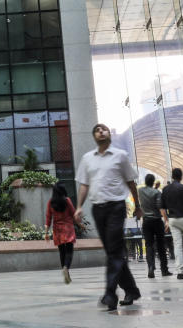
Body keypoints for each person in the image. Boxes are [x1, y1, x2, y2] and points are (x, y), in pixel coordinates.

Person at [74, 123, 142, 311]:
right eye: (97, 130)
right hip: (98, 209)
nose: (101, 131)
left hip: (116, 207)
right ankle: (131, 290)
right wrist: (79, 207)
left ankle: (110, 293)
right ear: (94, 136)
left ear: (108, 134)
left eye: (103, 129)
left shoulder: (120, 156)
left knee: (113, 250)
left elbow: (131, 182)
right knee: (114, 252)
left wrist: (137, 206)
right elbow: (84, 185)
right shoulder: (87, 158)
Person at [138, 174, 171, 278]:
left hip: (146, 222)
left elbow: (149, 195)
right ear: (153, 182)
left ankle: (151, 267)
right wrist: (166, 220)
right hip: (156, 221)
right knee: (161, 245)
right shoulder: (157, 192)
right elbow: (160, 207)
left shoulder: (140, 191)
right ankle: (164, 270)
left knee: (149, 245)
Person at [45, 183, 77, 284]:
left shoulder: (51, 202)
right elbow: (73, 213)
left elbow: (48, 218)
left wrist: (46, 233)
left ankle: (65, 270)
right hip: (68, 229)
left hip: (57, 230)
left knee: (62, 252)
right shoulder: (67, 201)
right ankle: (66, 267)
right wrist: (80, 224)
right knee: (69, 251)